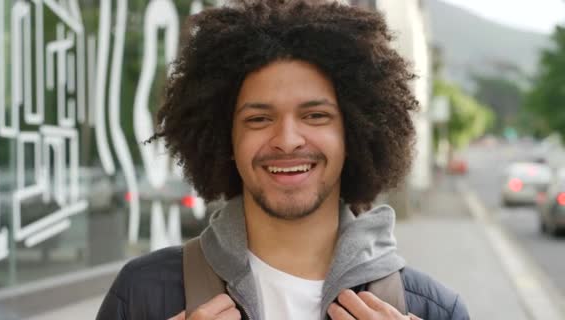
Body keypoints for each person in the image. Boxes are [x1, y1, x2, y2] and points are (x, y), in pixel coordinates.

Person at [96, 0, 470, 319]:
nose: (287, 141)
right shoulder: (140, 294)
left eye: (315, 116)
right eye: (259, 119)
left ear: (354, 134)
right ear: (227, 139)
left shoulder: (434, 309)